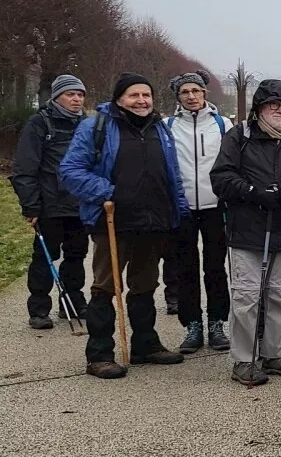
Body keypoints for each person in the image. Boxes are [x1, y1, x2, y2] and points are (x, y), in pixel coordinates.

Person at [59, 73, 189, 379]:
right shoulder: (97, 126)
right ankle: (99, 354)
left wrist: (179, 211)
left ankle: (145, 344)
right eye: (134, 95)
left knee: (145, 284)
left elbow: (172, 175)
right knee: (105, 286)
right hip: (113, 221)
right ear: (119, 98)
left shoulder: (160, 128)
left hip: (153, 220)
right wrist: (109, 191)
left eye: (146, 95)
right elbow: (70, 170)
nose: (141, 101)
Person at [210, 80, 281, 386]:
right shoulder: (239, 136)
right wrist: (253, 192)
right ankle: (243, 359)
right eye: (273, 106)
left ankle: (272, 353)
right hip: (247, 230)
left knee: (280, 297)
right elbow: (221, 177)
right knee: (246, 297)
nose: (280, 111)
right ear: (259, 110)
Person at [11, 74, 89, 330]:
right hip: (49, 204)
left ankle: (73, 303)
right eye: (70, 94)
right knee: (45, 257)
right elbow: (25, 167)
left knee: (76, 256)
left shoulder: (87, 125)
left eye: (80, 94)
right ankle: (39, 309)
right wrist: (30, 206)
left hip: (79, 204)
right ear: (56, 97)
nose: (76, 99)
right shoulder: (39, 123)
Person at [165, 70, 232, 354]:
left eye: (196, 90)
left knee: (215, 268)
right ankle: (192, 324)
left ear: (205, 93)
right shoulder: (167, 125)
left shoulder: (223, 124)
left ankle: (217, 322)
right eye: (185, 92)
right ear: (178, 97)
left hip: (216, 206)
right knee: (185, 268)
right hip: (182, 208)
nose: (191, 96)